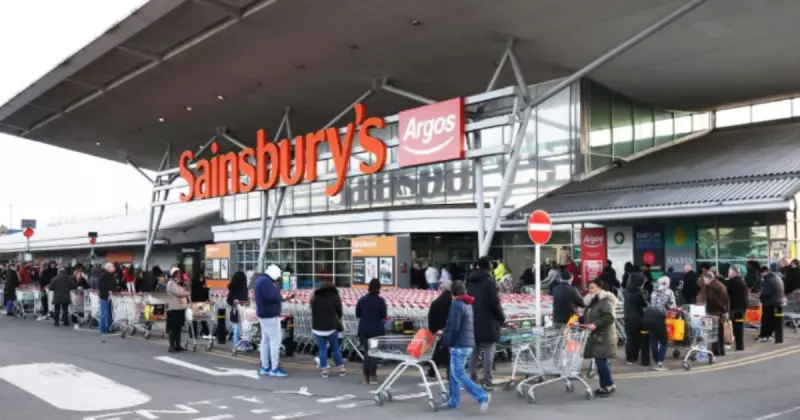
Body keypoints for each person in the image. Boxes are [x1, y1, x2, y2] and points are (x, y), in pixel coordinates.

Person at [441, 281, 490, 412]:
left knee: (458, 374)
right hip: (467, 342)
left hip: (459, 344)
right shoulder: (468, 304)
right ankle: (454, 401)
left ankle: (482, 395)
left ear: (452, 292)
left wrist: (449, 341)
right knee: (454, 374)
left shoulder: (456, 304)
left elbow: (454, 327)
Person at [466, 256, 505, 388]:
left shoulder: (470, 280)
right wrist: (501, 317)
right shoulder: (489, 282)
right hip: (488, 320)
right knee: (489, 348)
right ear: (488, 266)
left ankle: (472, 377)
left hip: (473, 318)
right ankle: (487, 379)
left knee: (474, 350)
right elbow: (495, 303)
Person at [580, 278, 618, 397]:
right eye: (589, 288)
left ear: (599, 288)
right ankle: (604, 386)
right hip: (595, 336)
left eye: (593, 288)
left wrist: (595, 325)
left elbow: (609, 317)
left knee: (601, 361)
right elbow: (589, 315)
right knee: (600, 362)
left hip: (603, 336)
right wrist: (579, 321)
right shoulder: (592, 301)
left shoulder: (605, 301)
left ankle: (609, 385)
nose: (590, 290)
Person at [254, 264, 288, 377]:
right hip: (270, 315)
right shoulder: (266, 282)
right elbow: (272, 297)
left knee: (265, 340)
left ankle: (265, 366)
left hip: (263, 314)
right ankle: (274, 368)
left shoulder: (261, 280)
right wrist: (280, 297)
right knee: (275, 341)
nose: (278, 278)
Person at [310, 275, 345, 378]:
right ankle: (341, 368)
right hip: (331, 327)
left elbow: (313, 310)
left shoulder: (315, 296)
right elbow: (339, 311)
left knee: (322, 349)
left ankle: (324, 370)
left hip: (317, 327)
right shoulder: (335, 296)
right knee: (335, 348)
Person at [356, 278, 387, 384]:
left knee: (366, 353)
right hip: (376, 331)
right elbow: (384, 315)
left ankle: (366, 376)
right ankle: (373, 375)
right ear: (379, 288)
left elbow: (358, 314)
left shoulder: (362, 300)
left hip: (364, 330)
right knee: (373, 352)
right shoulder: (380, 301)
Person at [644, 277, 677, 371]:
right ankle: (659, 363)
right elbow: (673, 306)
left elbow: (651, 303)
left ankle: (656, 360)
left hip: (649, 316)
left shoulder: (654, 291)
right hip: (660, 317)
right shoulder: (669, 292)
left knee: (653, 340)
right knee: (664, 341)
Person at [426, 279, 453, 378]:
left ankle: (432, 371)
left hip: (438, 330)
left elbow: (431, 316)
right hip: (449, 329)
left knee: (438, 350)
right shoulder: (453, 302)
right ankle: (449, 372)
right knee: (449, 352)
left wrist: (433, 329)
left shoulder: (436, 302)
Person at [698, 271, 729, 356]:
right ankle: (721, 350)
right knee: (720, 332)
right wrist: (725, 310)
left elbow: (714, 300)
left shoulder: (711, 286)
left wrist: (722, 308)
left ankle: (716, 350)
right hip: (720, 312)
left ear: (708, 278)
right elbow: (726, 298)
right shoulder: (720, 284)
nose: (704, 281)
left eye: (704, 279)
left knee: (714, 332)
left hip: (714, 312)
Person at [622, 269, 647, 364]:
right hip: (637, 317)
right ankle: (635, 356)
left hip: (627, 316)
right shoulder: (638, 292)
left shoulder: (627, 291)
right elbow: (644, 304)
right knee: (638, 338)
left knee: (630, 338)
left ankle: (630, 357)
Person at [756, 266, 784, 343]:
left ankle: (764, 336)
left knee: (766, 319)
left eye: (761, 274)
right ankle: (769, 335)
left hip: (769, 302)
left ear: (764, 272)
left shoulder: (768, 279)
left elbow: (766, 292)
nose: (761, 276)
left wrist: (760, 297)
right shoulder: (776, 277)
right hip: (777, 301)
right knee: (771, 320)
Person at [165, 269, 190, 352]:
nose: (179, 274)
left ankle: (178, 345)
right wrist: (187, 293)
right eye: (178, 273)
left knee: (178, 328)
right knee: (173, 328)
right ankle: (171, 346)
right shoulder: (171, 283)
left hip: (180, 308)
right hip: (173, 309)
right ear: (174, 274)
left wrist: (186, 285)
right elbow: (180, 293)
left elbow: (184, 289)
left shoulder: (176, 283)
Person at [726, 266, 748, 351]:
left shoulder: (731, 282)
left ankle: (738, 345)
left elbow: (727, 295)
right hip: (742, 308)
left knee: (735, 327)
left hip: (734, 308)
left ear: (733, 273)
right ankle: (740, 346)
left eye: (729, 272)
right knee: (740, 327)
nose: (728, 274)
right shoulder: (743, 282)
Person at [227, 270, 249, 348]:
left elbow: (228, 300)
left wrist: (234, 303)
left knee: (236, 328)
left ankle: (236, 345)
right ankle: (244, 344)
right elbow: (246, 299)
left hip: (235, 310)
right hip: (244, 310)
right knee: (244, 328)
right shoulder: (245, 289)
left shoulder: (232, 289)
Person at [190, 269, 211, 338]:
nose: (201, 278)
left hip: (202, 302)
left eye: (202, 277)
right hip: (196, 302)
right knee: (195, 318)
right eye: (200, 277)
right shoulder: (195, 283)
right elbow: (195, 293)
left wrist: (206, 289)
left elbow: (205, 292)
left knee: (204, 318)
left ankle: (206, 332)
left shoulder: (203, 283)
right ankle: (194, 333)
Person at [98, 263, 117, 334]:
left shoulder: (111, 276)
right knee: (104, 313)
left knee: (109, 313)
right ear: (108, 268)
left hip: (110, 297)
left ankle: (109, 327)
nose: (114, 268)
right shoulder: (103, 276)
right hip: (105, 297)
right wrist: (108, 293)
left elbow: (113, 285)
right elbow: (101, 287)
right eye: (112, 266)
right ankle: (102, 328)